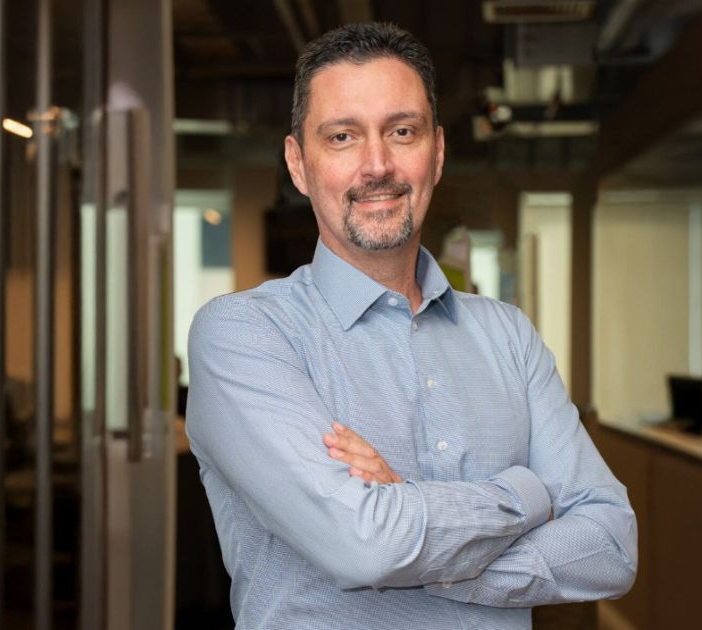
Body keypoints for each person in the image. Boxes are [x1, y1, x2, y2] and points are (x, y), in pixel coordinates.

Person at [186, 22, 637, 629]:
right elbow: (366, 544)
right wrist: (529, 494)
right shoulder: (243, 335)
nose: (377, 165)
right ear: (298, 164)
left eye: (402, 132)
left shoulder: (508, 336)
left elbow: (610, 545)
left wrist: (410, 522)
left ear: (438, 152)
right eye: (342, 136)